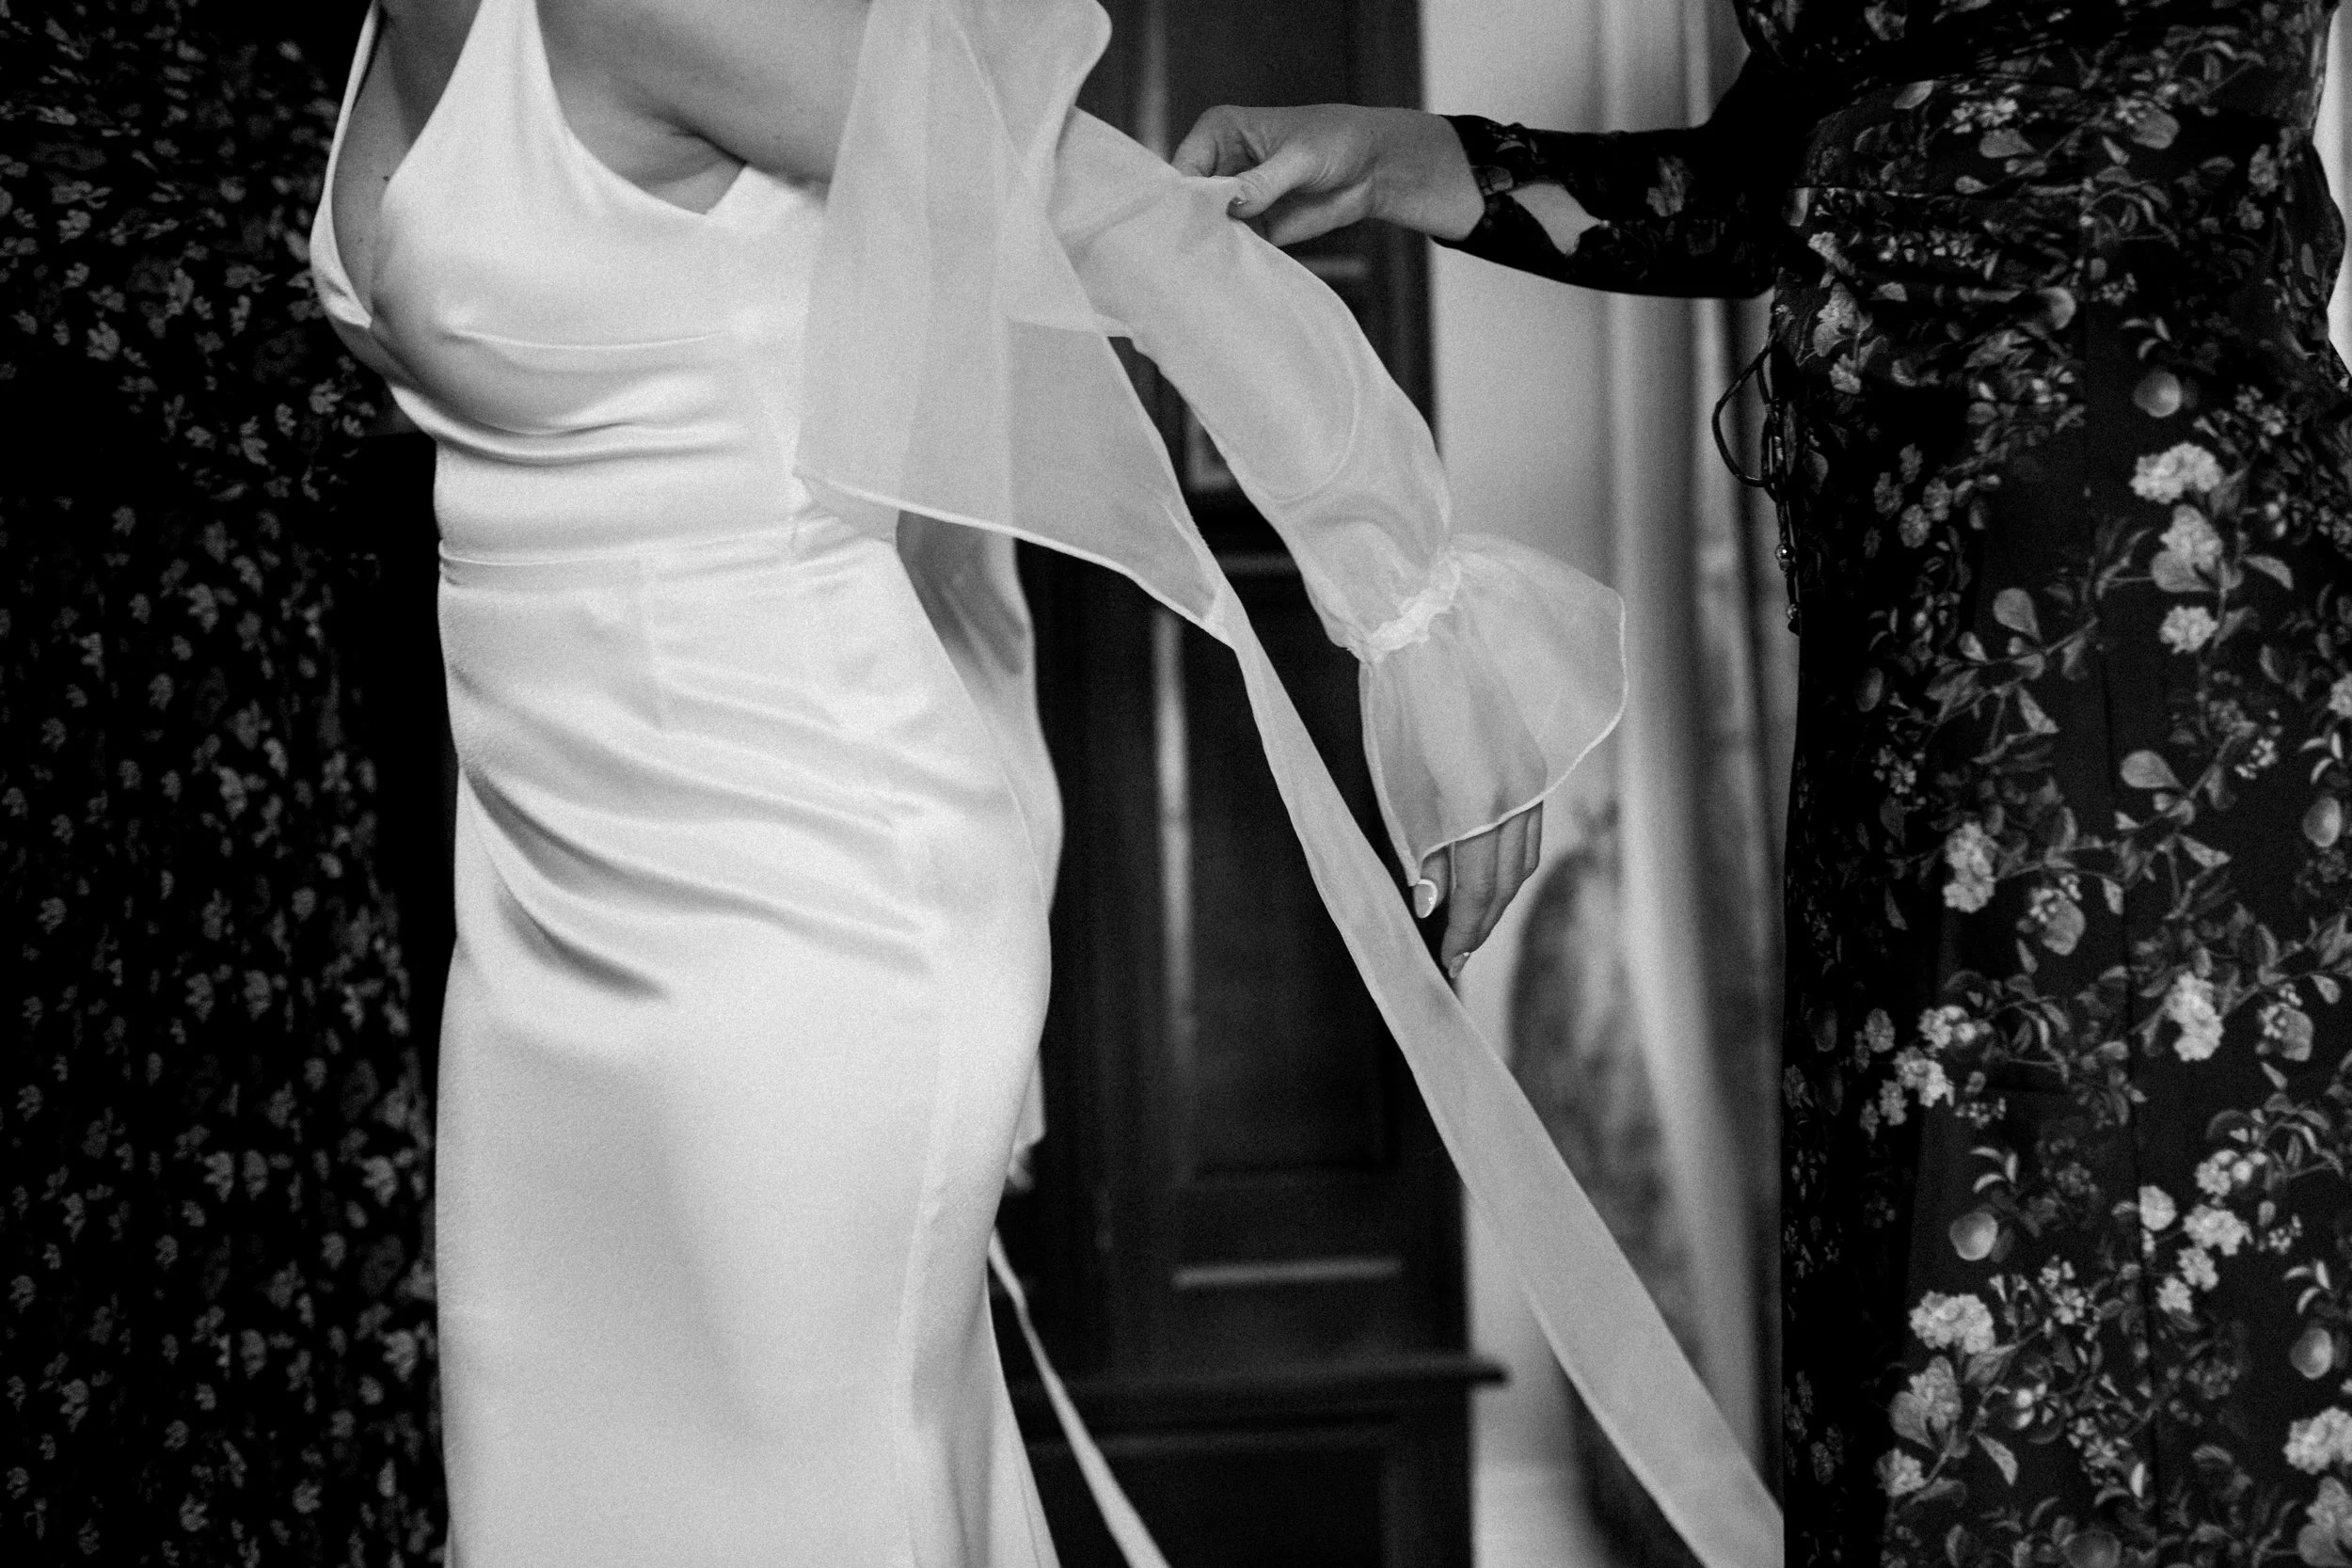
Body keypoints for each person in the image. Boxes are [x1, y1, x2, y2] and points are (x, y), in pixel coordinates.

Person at [305, 0, 1727, 1562]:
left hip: (794, 895)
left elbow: (1125, 223)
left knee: (798, 1496)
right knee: (578, 1488)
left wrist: (1415, 610)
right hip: (540, 905)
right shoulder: (394, 23)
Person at [1180, 2, 2352, 1564]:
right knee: (1917, 1253)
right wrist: (1413, 160)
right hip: (1907, 609)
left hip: (2147, 566)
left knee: (2095, 1272)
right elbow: (1773, 177)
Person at [1, 1, 444, 1560]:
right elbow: (190, 331)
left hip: (332, 741)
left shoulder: (299, 33)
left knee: (321, 1272)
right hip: (77, 768)